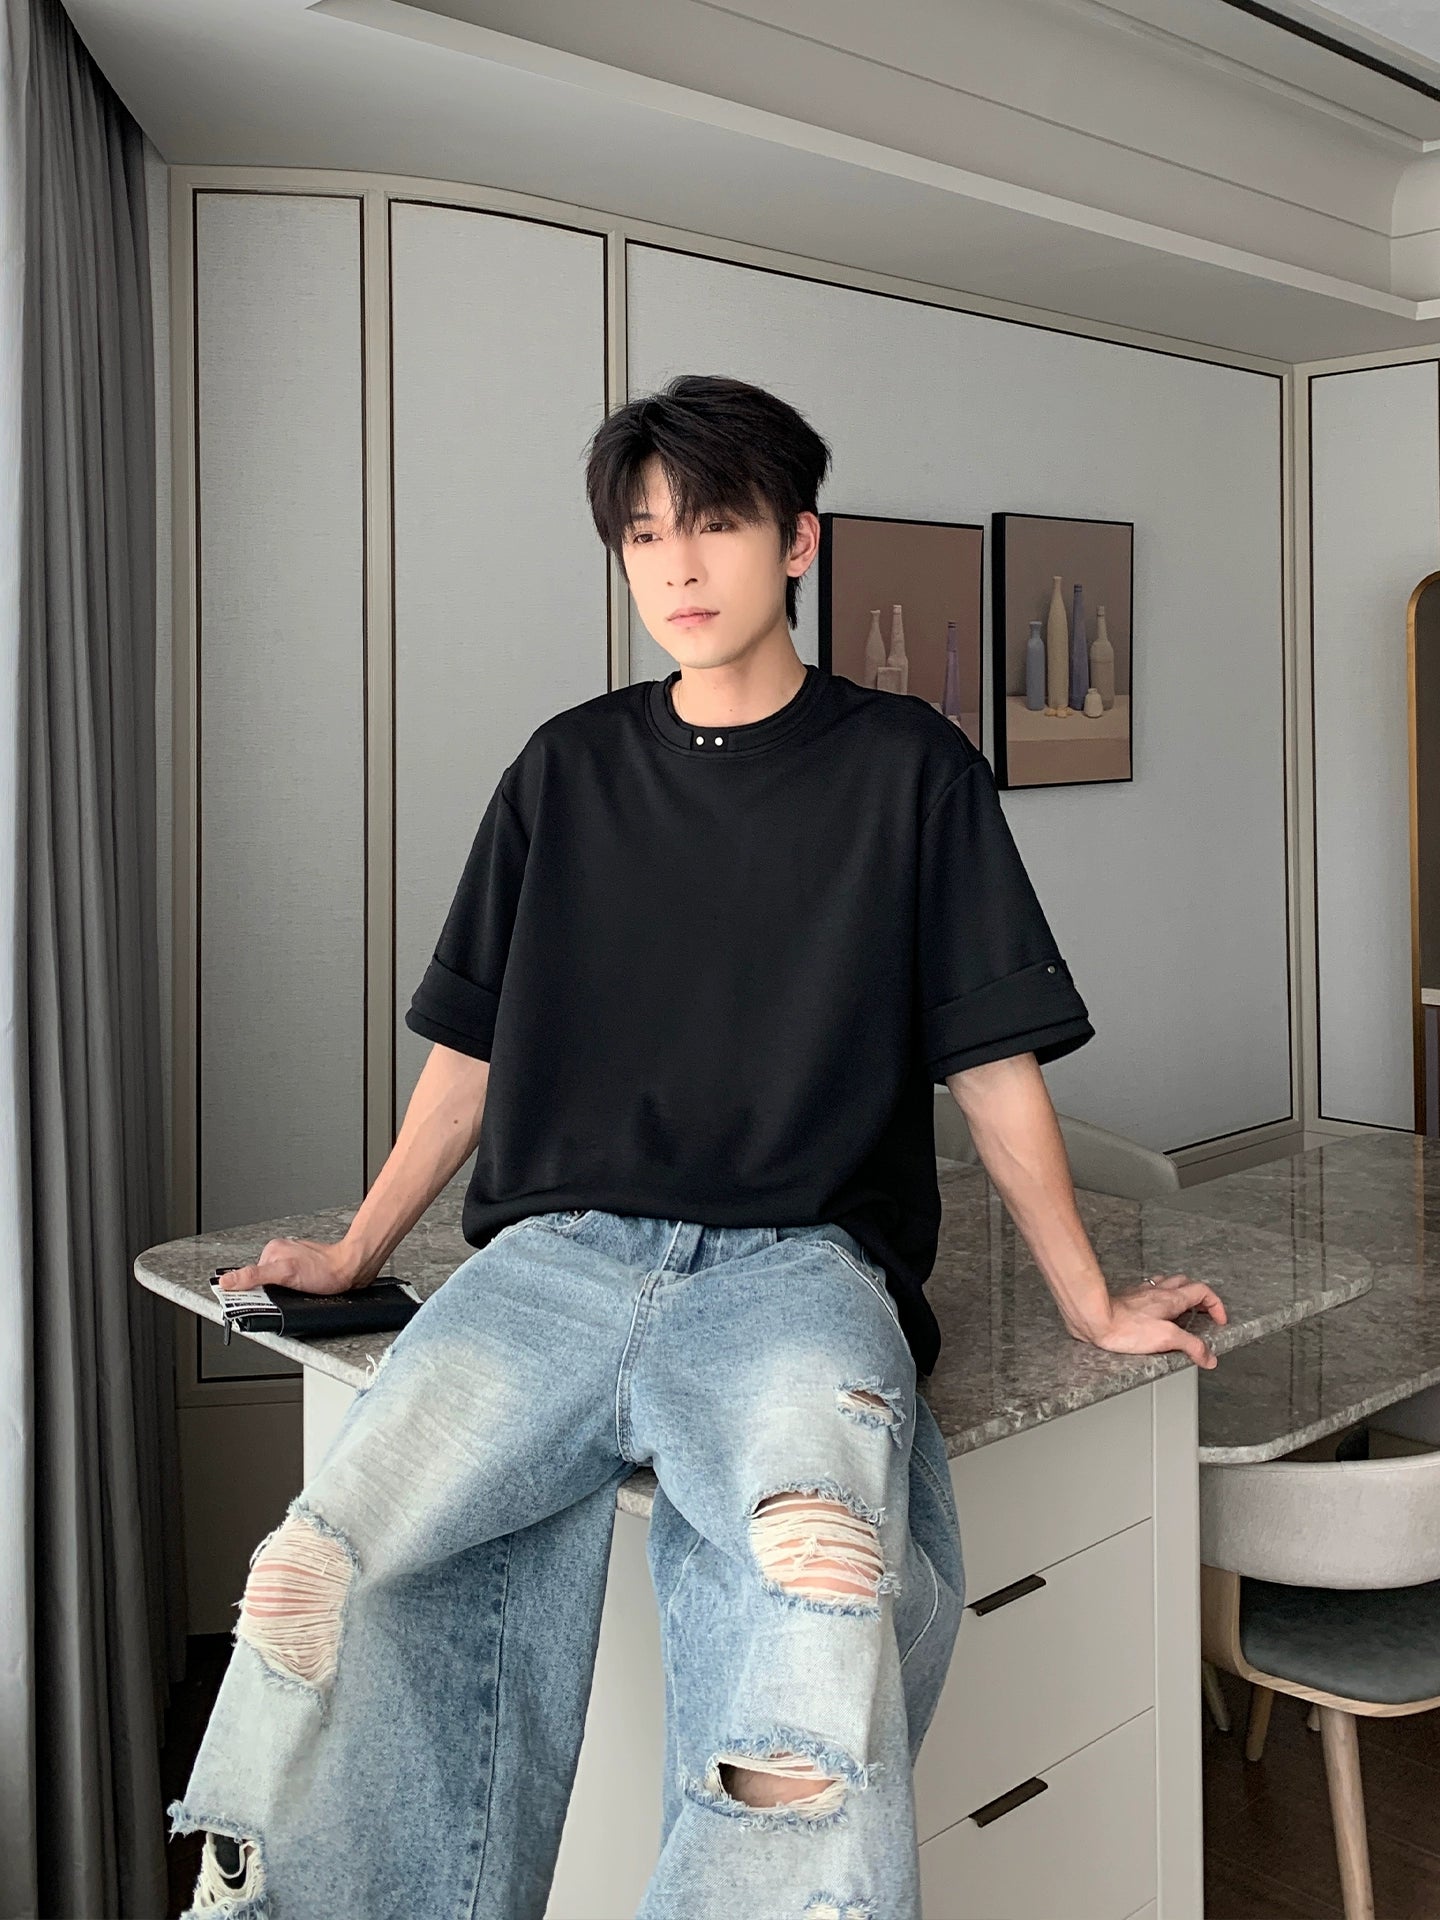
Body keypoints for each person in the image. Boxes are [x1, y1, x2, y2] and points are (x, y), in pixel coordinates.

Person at [168, 374, 1226, 1919]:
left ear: (797, 541)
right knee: (320, 1574)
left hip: (795, 1273)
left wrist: (1087, 1298)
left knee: (816, 1594)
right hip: (555, 1263)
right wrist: (354, 1251)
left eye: (714, 524)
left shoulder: (909, 770)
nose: (676, 564)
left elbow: (990, 1066)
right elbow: (469, 1059)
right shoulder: (564, 771)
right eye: (644, 532)